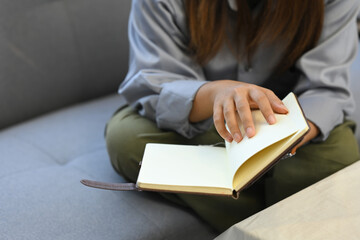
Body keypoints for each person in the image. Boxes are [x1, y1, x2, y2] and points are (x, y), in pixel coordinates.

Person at [106, 0, 360, 232]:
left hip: (290, 121)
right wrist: (218, 93)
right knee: (127, 139)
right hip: (205, 117)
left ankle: (257, 220)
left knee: (339, 153)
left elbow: (326, 89)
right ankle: (289, 221)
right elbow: (156, 82)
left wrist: (283, 139)